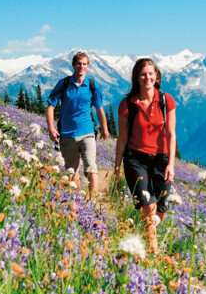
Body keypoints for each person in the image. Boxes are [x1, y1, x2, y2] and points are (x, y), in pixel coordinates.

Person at [114, 58, 177, 254]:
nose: (147, 77)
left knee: (161, 208)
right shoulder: (127, 104)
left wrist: (171, 164)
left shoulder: (167, 101)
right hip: (136, 160)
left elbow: (171, 134)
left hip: (162, 160)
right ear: (137, 78)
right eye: (143, 74)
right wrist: (116, 168)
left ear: (156, 76)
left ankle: (143, 234)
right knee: (148, 208)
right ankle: (152, 254)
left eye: (151, 73)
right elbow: (122, 139)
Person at [46, 52, 110, 197]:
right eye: (79, 63)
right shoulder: (63, 84)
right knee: (71, 171)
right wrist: (51, 128)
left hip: (87, 132)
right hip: (67, 135)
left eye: (84, 64)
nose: (81, 66)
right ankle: (78, 202)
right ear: (73, 65)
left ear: (88, 66)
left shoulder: (93, 85)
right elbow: (50, 107)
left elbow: (99, 109)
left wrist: (104, 129)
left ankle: (92, 200)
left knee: (90, 167)